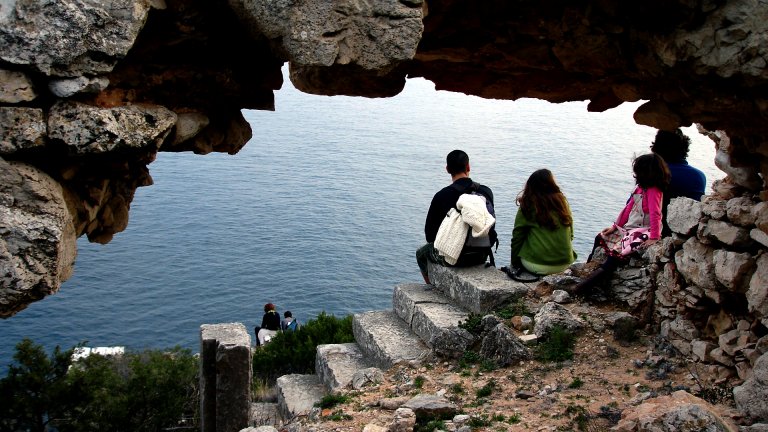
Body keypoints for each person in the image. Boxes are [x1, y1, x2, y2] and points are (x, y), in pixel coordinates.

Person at [573, 153, 671, 294]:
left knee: (616, 253)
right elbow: (627, 209)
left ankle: (584, 287)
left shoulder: (653, 191)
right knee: (600, 237)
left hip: (645, 230)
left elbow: (656, 214)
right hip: (631, 227)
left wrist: (655, 236)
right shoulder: (639, 189)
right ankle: (589, 268)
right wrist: (615, 227)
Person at [416, 150, 497, 284]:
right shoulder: (485, 192)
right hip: (481, 254)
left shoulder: (442, 196)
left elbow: (430, 236)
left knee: (421, 254)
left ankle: (431, 287)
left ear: (447, 169)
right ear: (468, 167)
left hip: (455, 257)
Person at [507, 169, 577, 277]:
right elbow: (571, 234)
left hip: (537, 266)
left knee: (525, 237)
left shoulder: (528, 205)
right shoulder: (562, 202)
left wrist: (514, 264)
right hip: (564, 264)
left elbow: (517, 238)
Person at [650, 128, 707, 235]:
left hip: (655, 233)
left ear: (657, 147)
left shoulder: (653, 173)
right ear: (685, 147)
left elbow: (637, 205)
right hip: (686, 235)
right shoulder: (699, 176)